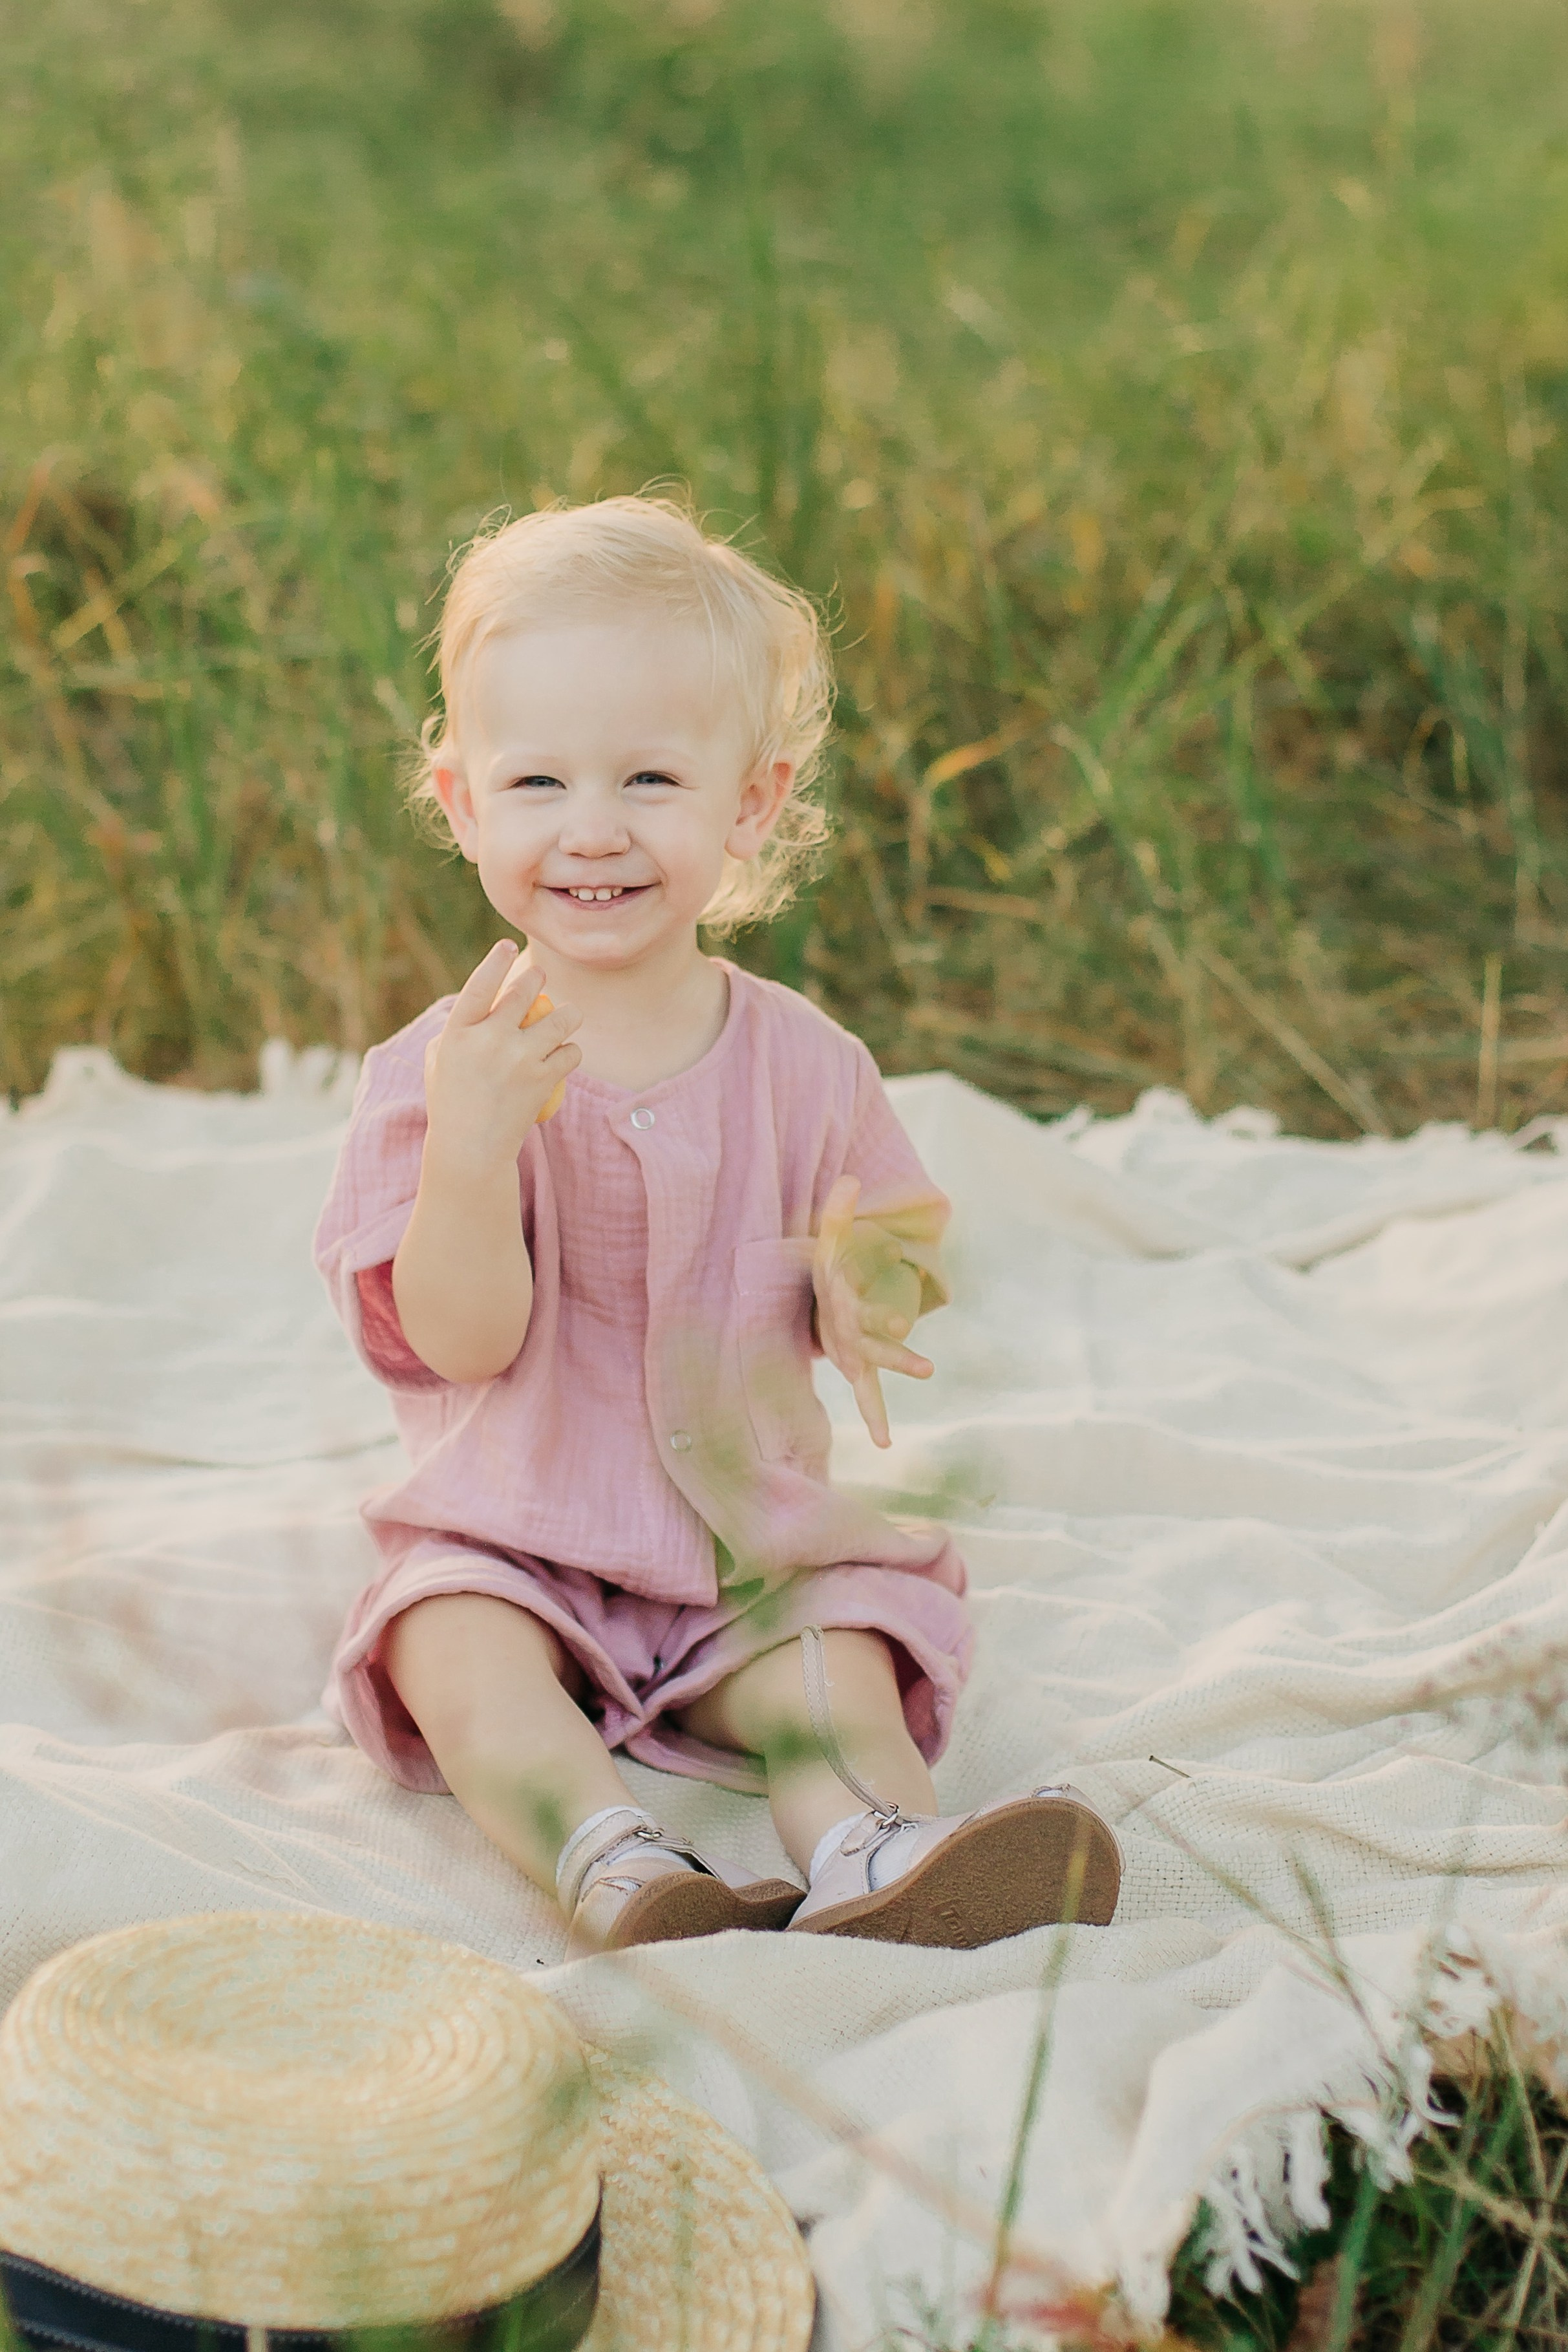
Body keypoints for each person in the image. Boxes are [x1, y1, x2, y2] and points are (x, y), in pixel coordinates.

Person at [315, 495, 1119, 1956]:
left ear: (749, 801)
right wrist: (471, 1150)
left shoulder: (805, 1062)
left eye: (649, 778)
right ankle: (615, 1860)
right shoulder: (441, 1072)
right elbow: (460, 1338)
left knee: (834, 1647)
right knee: (448, 1641)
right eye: (540, 782)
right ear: (462, 802)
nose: (595, 829)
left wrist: (869, 1292)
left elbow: (895, 1237)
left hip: (749, 1551)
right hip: (515, 1533)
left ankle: (879, 1844)